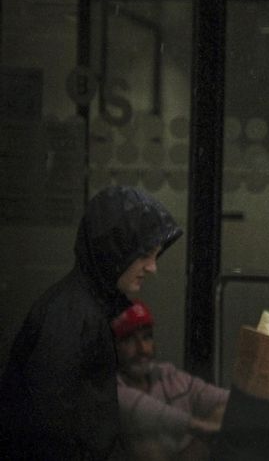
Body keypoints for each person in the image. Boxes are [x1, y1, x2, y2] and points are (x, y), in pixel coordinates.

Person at [0, 186, 182, 460]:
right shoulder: (74, 317)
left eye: (156, 255)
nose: (153, 267)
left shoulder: (84, 307)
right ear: (114, 251)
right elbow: (49, 430)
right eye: (145, 254)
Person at [112, 300, 229, 461]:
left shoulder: (168, 376)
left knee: (222, 411)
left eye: (147, 337)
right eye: (129, 340)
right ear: (112, 346)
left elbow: (222, 398)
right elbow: (139, 408)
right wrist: (200, 428)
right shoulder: (107, 389)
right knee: (147, 447)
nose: (142, 349)